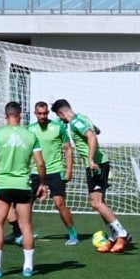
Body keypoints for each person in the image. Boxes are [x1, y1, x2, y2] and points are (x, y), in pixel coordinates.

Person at [0, 101, 46, 278]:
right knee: (26, 226)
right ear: (20, 115)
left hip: (3, 185)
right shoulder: (31, 135)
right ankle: (28, 267)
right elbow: (41, 163)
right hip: (23, 185)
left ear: (6, 116)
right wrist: (43, 183)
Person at [51, 98, 131, 252]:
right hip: (99, 163)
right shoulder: (82, 117)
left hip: (95, 165)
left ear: (61, 113)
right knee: (99, 203)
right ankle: (114, 236)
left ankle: (122, 234)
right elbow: (97, 130)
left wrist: (91, 158)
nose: (61, 120)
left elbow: (92, 136)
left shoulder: (75, 122)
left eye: (59, 116)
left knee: (96, 203)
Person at [28, 101, 78, 245]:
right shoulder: (29, 129)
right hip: (35, 171)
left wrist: (69, 170)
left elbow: (68, 149)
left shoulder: (59, 127)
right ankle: (24, 232)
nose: (42, 116)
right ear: (35, 113)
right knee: (26, 204)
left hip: (55, 170)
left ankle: (73, 234)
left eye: (45, 113)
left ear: (48, 113)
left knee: (59, 203)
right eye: (39, 113)